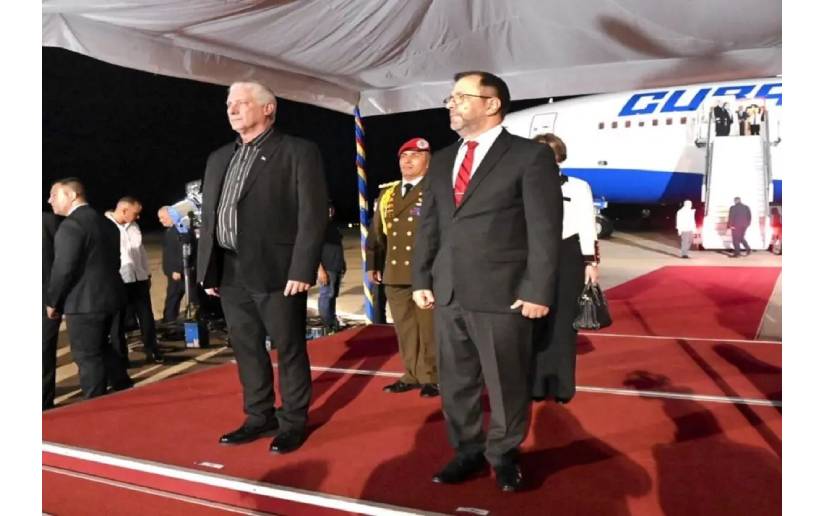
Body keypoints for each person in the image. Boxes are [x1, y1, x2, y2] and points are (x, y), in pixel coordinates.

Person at [412, 71, 562, 492]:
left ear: (492, 104)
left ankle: (504, 454)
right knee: (456, 382)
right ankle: (466, 450)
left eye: (461, 97)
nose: (451, 104)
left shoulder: (529, 157)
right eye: (450, 97)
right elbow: (430, 225)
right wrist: (422, 276)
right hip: (448, 291)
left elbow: (544, 229)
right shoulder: (443, 159)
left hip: (504, 292)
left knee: (505, 381)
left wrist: (537, 289)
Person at [197, 80, 328, 454]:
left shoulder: (297, 151)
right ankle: (258, 416)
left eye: (241, 102)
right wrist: (209, 268)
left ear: (268, 108)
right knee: (246, 348)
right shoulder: (219, 157)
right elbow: (211, 217)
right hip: (230, 270)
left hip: (278, 270)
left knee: (288, 347)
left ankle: (293, 421)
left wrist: (302, 268)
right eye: (229, 104)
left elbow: (312, 214)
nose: (232, 109)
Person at [46, 178, 132, 399]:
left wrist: (53, 302)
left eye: (54, 195)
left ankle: (95, 403)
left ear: (72, 195)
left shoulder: (71, 225)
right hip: (111, 298)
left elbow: (63, 269)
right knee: (103, 348)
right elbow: (115, 261)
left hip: (84, 303)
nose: (50, 200)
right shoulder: (107, 223)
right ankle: (124, 389)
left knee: (87, 357)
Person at [367, 137, 439, 398]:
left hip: (427, 273)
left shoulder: (436, 189)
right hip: (394, 272)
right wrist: (373, 264)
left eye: (415, 156)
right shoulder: (388, 193)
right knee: (405, 328)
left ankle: (433, 376)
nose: (407, 161)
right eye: (403, 157)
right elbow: (377, 233)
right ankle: (411, 374)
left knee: (429, 328)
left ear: (428, 162)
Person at [530, 133, 599, 404]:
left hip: (567, 254)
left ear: (559, 157)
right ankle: (535, 384)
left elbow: (587, 225)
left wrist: (591, 262)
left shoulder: (578, 187)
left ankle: (562, 386)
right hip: (532, 256)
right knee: (533, 323)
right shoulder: (522, 185)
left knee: (563, 323)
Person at [106, 197, 163, 365]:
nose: (138, 217)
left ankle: (152, 351)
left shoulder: (134, 226)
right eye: (135, 213)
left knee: (147, 318)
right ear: (124, 210)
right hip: (119, 280)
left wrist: (147, 274)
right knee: (118, 322)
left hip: (139, 279)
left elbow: (141, 251)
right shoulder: (106, 226)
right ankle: (121, 358)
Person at [43, 211, 63, 410]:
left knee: (43, 352)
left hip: (45, 301)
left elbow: (62, 261)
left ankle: (43, 402)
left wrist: (54, 299)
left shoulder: (47, 221)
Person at [317, 201, 346, 332]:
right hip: (327, 268)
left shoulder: (333, 226)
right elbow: (314, 250)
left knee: (332, 295)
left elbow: (338, 246)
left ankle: (332, 322)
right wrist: (320, 270)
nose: (330, 211)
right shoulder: (318, 227)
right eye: (327, 209)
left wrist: (342, 262)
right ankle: (327, 324)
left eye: (331, 209)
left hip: (336, 266)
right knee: (326, 295)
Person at [158, 206, 186, 323]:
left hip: (179, 273)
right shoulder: (170, 230)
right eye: (159, 218)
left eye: (163, 217)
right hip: (173, 273)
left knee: (174, 298)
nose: (161, 220)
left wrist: (177, 269)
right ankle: (169, 321)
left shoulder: (181, 230)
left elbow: (183, 251)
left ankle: (170, 321)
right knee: (172, 298)